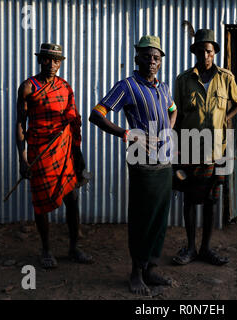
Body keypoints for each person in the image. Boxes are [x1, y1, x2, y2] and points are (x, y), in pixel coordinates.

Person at [89, 35, 177, 295]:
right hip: (142, 164)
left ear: (161, 62)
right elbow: (97, 114)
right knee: (142, 218)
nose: (152, 61)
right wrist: (127, 134)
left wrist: (168, 130)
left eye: (156, 57)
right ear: (137, 58)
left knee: (160, 218)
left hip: (164, 163)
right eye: (147, 56)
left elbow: (173, 109)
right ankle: (136, 273)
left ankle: (151, 269)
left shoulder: (163, 87)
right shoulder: (127, 86)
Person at [16, 43, 93, 269]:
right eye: (47, 59)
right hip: (39, 151)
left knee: (72, 199)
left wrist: (77, 155)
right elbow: (21, 124)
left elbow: (73, 122)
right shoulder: (28, 88)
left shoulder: (65, 87)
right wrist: (23, 159)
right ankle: (46, 249)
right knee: (41, 202)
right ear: (40, 60)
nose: (52, 64)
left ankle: (74, 247)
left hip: (64, 150)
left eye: (56, 60)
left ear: (61, 63)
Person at [172, 29, 237, 266]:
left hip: (218, 150)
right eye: (201, 50)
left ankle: (206, 249)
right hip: (191, 147)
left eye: (209, 51)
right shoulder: (183, 80)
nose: (205, 55)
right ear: (194, 52)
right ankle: (190, 248)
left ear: (214, 53)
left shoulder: (226, 78)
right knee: (191, 200)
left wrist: (227, 118)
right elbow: (177, 115)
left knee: (213, 199)